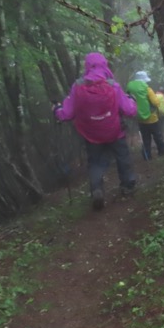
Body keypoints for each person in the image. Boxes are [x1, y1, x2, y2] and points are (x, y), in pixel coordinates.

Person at [53, 52, 137, 210]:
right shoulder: (113, 85)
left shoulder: (78, 86)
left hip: (91, 135)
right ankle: (128, 187)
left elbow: (67, 114)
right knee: (122, 157)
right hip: (114, 132)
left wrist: (57, 110)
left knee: (95, 162)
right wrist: (132, 100)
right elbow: (129, 110)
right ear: (104, 65)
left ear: (87, 66)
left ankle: (97, 190)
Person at [126, 71, 164, 160]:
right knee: (157, 136)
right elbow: (155, 102)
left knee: (145, 139)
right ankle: (162, 152)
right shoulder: (147, 89)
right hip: (152, 118)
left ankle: (147, 156)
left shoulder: (130, 89)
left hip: (139, 118)